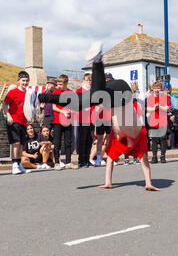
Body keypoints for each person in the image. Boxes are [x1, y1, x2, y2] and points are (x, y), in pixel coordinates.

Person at [37, 41, 161, 191]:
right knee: (95, 96)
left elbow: (109, 161)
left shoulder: (116, 143)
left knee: (82, 101)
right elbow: (145, 163)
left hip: (111, 95)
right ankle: (98, 61)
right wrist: (148, 183)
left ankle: (46, 97)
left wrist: (108, 182)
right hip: (124, 92)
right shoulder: (140, 139)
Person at [3, 71, 32, 175]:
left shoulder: (28, 93)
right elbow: (4, 104)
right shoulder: (12, 92)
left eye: (27, 81)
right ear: (18, 81)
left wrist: (30, 117)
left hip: (23, 122)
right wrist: (8, 115)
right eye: (23, 80)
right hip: (14, 121)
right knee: (16, 143)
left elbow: (29, 108)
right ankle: (14, 165)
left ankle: (19, 165)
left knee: (21, 145)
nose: (25, 83)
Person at [52, 74, 78, 171]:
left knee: (68, 142)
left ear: (66, 83)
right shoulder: (55, 92)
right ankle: (57, 163)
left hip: (68, 120)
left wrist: (70, 111)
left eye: (61, 84)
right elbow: (54, 107)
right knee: (57, 142)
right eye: (58, 84)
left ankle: (68, 162)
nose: (59, 86)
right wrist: (62, 111)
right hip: (57, 121)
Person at [146, 81, 169, 163]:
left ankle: (163, 156)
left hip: (162, 121)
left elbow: (167, 108)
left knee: (162, 139)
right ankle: (154, 157)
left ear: (161, 89)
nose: (157, 90)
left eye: (158, 88)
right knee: (154, 140)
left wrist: (160, 107)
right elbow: (148, 109)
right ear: (153, 89)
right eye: (155, 88)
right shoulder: (150, 98)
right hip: (153, 121)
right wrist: (154, 108)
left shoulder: (165, 97)